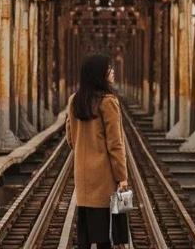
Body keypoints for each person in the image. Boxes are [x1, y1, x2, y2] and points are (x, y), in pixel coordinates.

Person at [66, 54, 129, 249]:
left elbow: (70, 139)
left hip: (83, 181)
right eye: (108, 69)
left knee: (84, 239)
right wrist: (122, 176)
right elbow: (115, 144)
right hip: (104, 181)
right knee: (104, 239)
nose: (112, 72)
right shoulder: (108, 102)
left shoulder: (74, 100)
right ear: (99, 74)